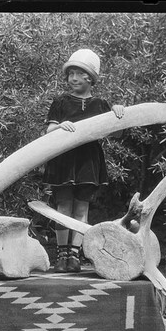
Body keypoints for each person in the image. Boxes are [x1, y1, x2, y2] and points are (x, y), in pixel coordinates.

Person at [42, 48, 125, 273]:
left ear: (90, 78)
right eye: (71, 74)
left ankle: (75, 255)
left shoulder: (100, 104)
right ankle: (61, 256)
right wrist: (59, 127)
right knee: (62, 206)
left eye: (79, 74)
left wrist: (119, 112)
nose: (73, 79)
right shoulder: (61, 102)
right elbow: (48, 131)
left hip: (87, 162)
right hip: (63, 161)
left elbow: (115, 133)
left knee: (81, 207)